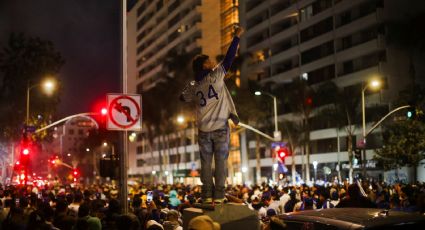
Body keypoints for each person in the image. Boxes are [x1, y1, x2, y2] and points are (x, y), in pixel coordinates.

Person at [180, 26, 244, 204]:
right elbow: (229, 58)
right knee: (221, 162)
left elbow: (182, 97)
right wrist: (236, 37)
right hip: (220, 127)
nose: (211, 63)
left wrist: (195, 87)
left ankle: (207, 195)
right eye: (209, 62)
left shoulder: (194, 84)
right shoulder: (215, 76)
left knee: (206, 163)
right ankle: (219, 195)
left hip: (203, 129)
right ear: (205, 65)